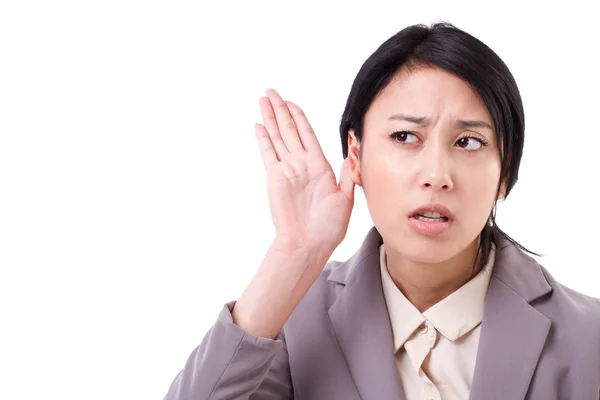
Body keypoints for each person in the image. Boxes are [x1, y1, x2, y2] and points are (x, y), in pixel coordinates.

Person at [164, 22, 600, 400]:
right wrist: (293, 253)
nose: (436, 175)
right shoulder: (291, 324)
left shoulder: (588, 339)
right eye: (405, 136)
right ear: (355, 155)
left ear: (504, 172)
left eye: (468, 142)